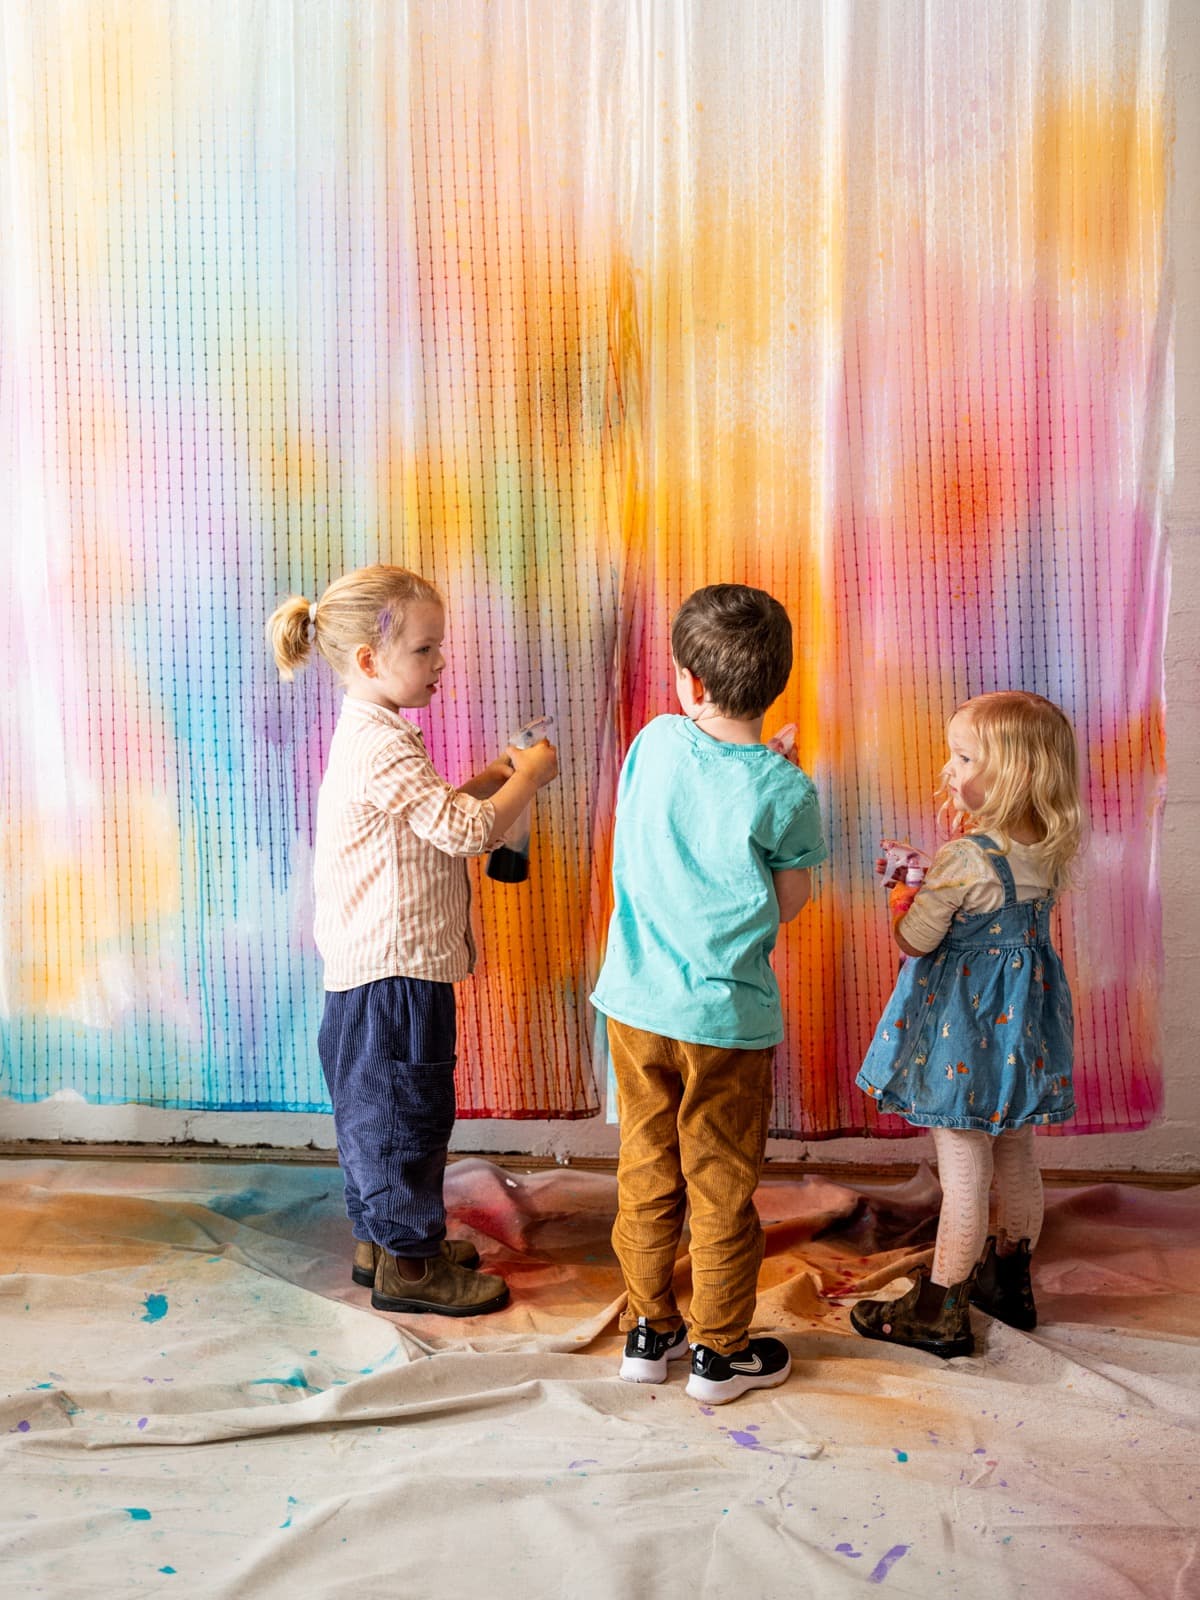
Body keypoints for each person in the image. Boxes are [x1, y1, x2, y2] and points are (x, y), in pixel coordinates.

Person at [268, 565, 558, 1316]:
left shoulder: (374, 735)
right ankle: (413, 1268)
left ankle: (384, 1244)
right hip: (396, 976)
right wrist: (528, 780)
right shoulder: (383, 746)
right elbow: (462, 832)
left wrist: (492, 775)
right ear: (370, 659)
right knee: (405, 1121)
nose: (440, 663)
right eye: (425, 649)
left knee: (376, 1119)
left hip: (372, 973)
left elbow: (427, 818)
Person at [591, 584, 827, 1404]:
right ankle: (719, 1355)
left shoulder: (654, 742)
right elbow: (786, 903)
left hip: (634, 1006)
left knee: (646, 1167)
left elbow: (687, 798)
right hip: (725, 1020)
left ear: (689, 683)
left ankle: (647, 1331)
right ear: (777, 682)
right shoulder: (789, 791)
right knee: (721, 1184)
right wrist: (774, 774)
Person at [853, 690, 1083, 1358]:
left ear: (1012, 773)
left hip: (962, 1033)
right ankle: (1009, 1282)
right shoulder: (1048, 847)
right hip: (1021, 1036)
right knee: (1016, 1153)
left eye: (963, 758)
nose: (947, 770)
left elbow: (918, 941)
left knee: (963, 1167)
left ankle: (940, 1308)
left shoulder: (963, 858)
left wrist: (906, 893)